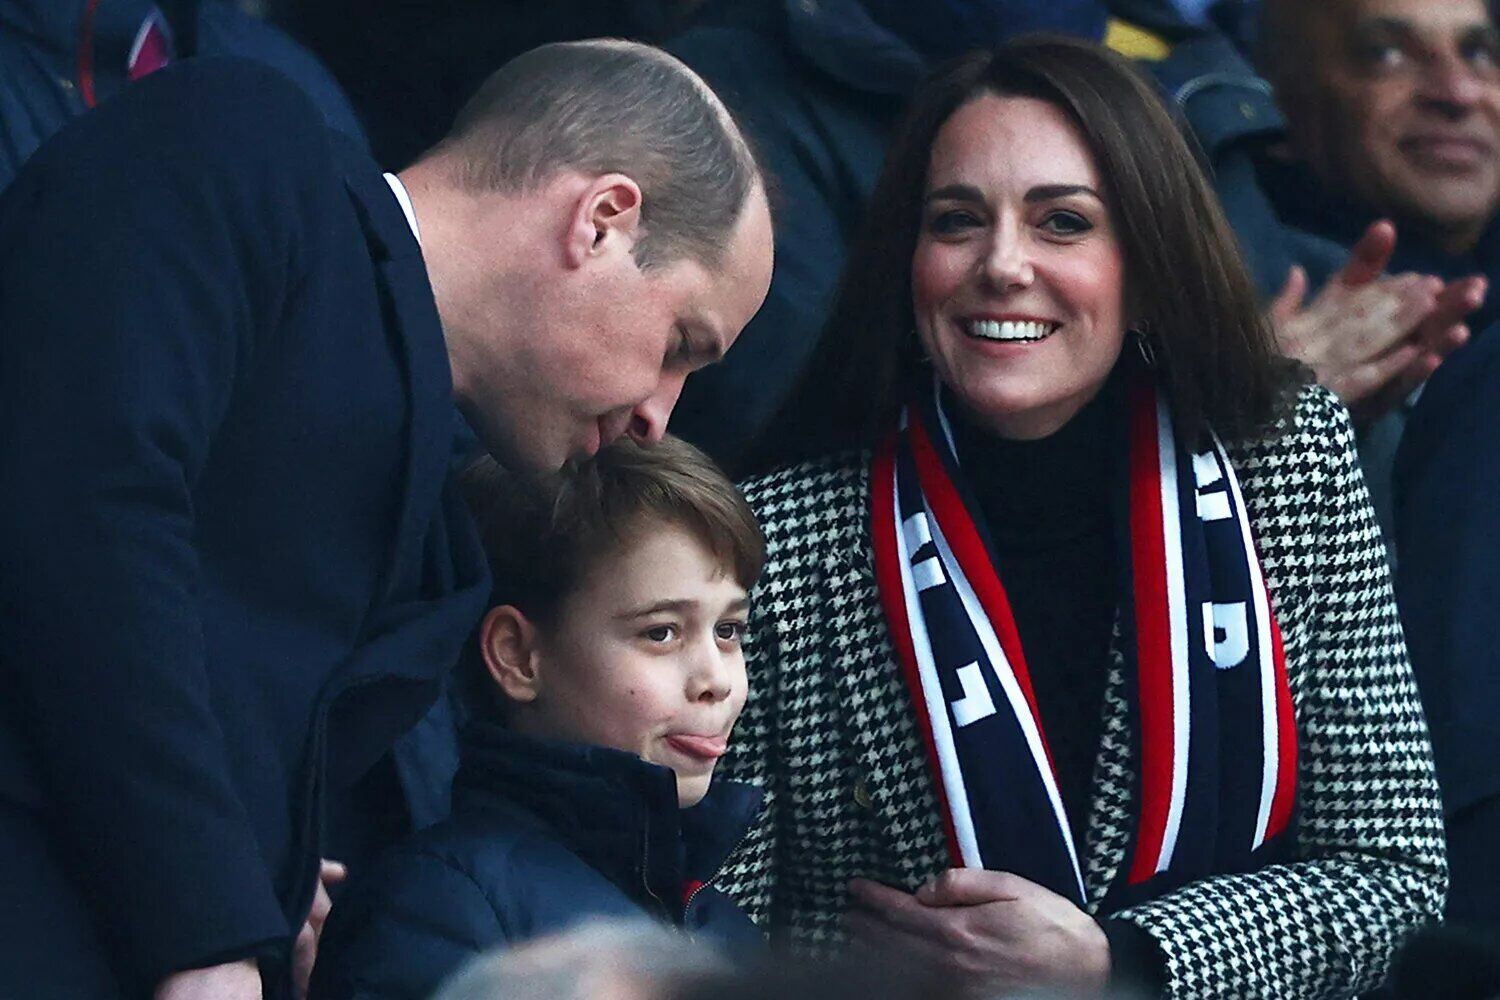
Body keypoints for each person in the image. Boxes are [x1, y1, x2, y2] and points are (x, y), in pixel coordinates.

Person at [0, 40, 772, 1000]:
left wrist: (271, 883)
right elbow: (91, 505)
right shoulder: (243, 141)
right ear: (604, 221)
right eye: (680, 344)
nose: (662, 412)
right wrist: (205, 930)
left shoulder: (449, 484)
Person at [723, 37, 1445, 999]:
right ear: (909, 260)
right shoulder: (784, 530)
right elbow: (721, 930)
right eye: (956, 222)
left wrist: (1121, 963)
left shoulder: (1285, 456)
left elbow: (1394, 880)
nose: (1003, 265)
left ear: (1146, 259)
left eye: (1063, 222)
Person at [312, 436, 766, 1000]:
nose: (717, 679)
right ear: (518, 656)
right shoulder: (440, 907)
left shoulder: (724, 929)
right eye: (661, 632)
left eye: (729, 631)